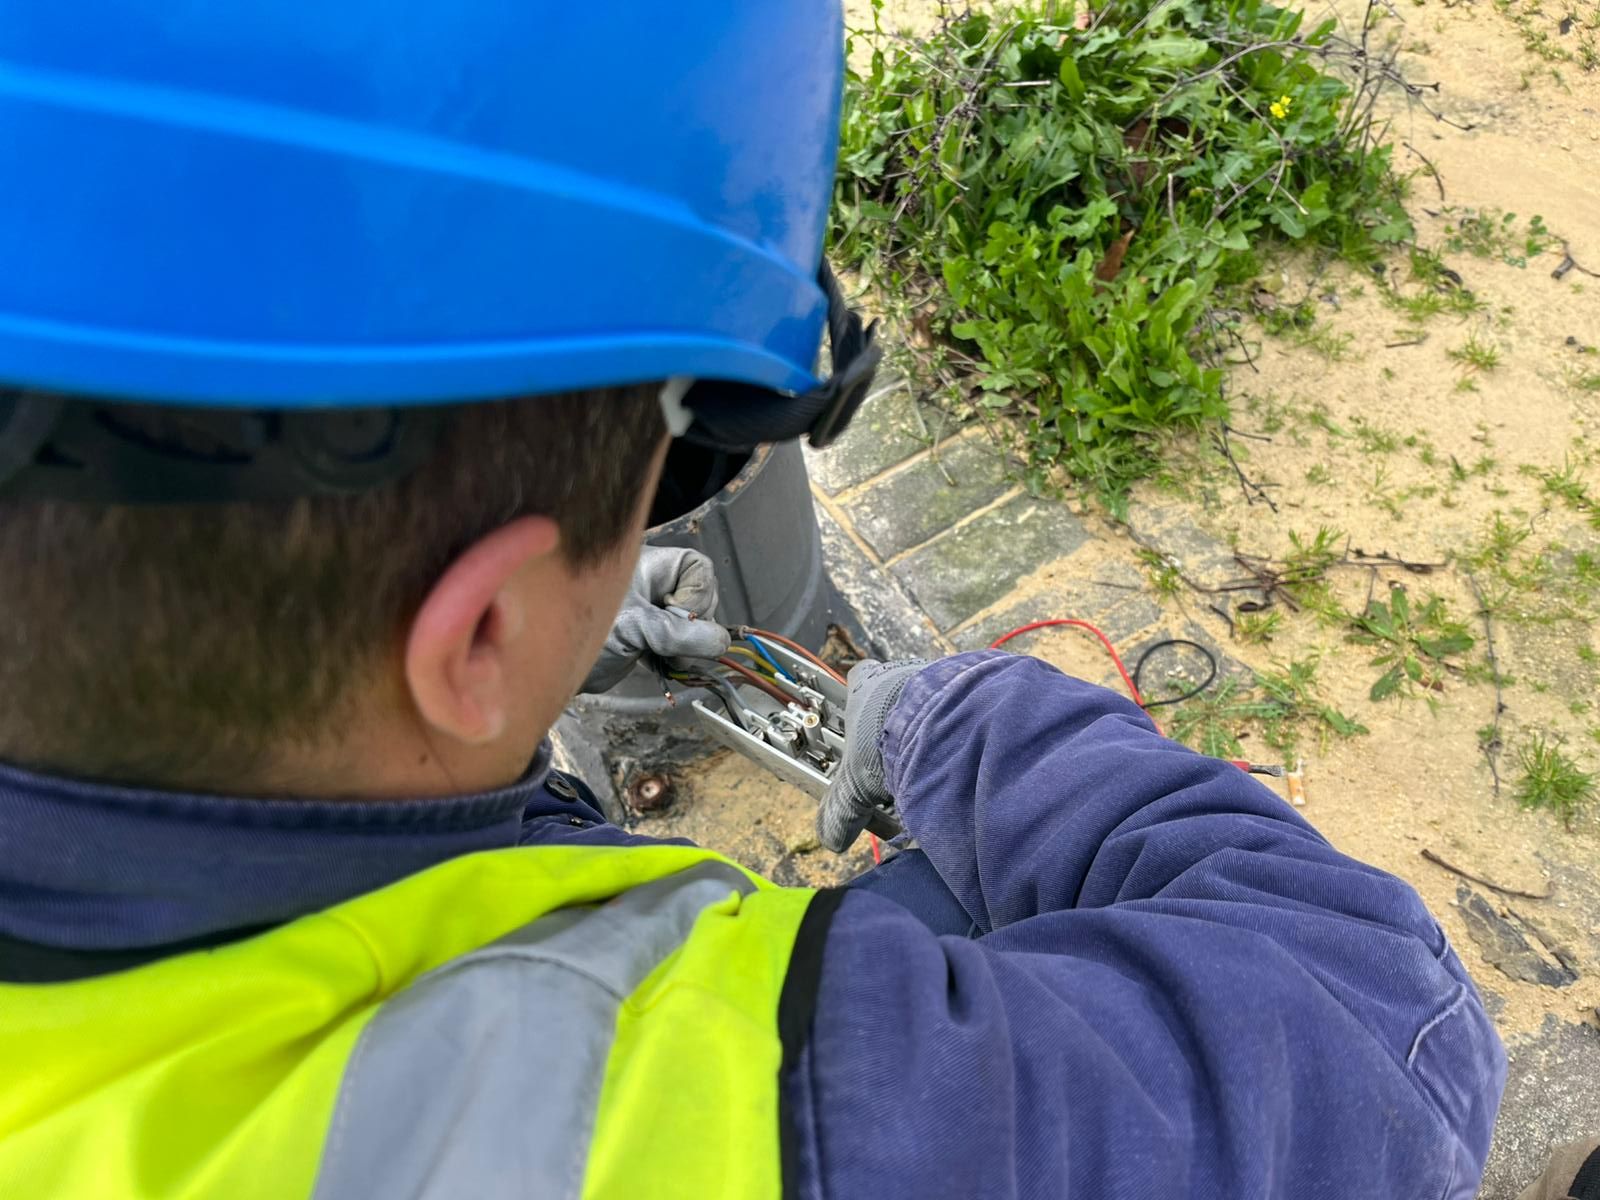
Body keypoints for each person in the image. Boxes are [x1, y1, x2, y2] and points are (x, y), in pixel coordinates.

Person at [0, 3, 1506, 1197]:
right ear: (475, 632)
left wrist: (515, 770)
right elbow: (1394, 1032)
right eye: (681, 462)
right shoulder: (749, 1122)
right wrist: (957, 717)